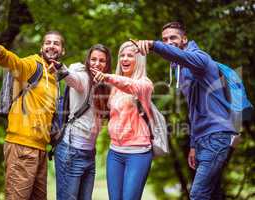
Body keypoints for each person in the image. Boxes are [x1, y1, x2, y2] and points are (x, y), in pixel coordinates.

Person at [134, 21, 237, 199]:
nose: (168, 41)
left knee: (198, 195)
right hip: (203, 139)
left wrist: (154, 45)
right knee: (213, 194)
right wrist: (193, 145)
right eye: (164, 39)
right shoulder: (181, 70)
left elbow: (184, 57)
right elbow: (194, 110)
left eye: (173, 37)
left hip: (217, 136)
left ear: (184, 39)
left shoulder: (200, 58)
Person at [0, 30, 65, 200]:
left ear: (62, 51)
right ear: (42, 47)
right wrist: (3, 53)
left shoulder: (54, 77)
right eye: (48, 42)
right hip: (21, 146)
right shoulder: (33, 65)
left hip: (40, 150)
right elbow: (16, 64)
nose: (51, 46)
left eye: (56, 43)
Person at [92, 41, 154, 200]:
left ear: (138, 60)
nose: (125, 59)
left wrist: (107, 77)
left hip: (138, 153)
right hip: (115, 153)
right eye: (122, 55)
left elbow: (130, 86)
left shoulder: (145, 84)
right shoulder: (113, 86)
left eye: (130, 55)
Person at [54, 44, 112, 200]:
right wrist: (60, 67)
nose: (97, 64)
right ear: (88, 60)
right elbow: (71, 78)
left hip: (89, 154)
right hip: (71, 152)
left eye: (102, 61)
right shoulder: (83, 77)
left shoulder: (105, 86)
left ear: (107, 64)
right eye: (93, 59)